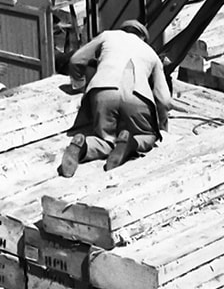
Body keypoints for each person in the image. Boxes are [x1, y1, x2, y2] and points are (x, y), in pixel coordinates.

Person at [59, 20, 172, 175]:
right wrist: (162, 126)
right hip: (137, 96)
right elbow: (164, 99)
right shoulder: (151, 53)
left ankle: (83, 146)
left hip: (102, 91)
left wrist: (79, 86)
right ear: (143, 38)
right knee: (148, 136)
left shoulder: (108, 36)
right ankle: (130, 143)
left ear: (123, 30)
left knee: (106, 138)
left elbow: (76, 59)